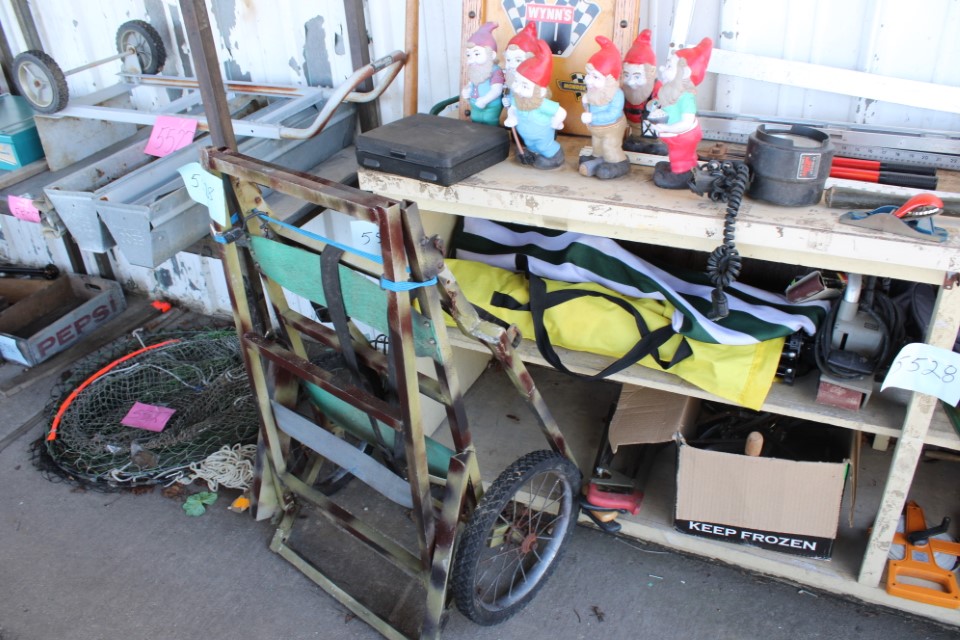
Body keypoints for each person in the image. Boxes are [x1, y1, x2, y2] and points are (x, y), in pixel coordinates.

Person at [648, 37, 713, 189]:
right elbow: (666, 104)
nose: (662, 69)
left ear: (684, 73)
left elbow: (686, 122)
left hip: (683, 136)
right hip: (674, 135)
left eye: (669, 66)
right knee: (677, 154)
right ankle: (680, 167)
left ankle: (680, 175)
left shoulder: (686, 98)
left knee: (680, 155)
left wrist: (668, 128)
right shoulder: (671, 90)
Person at [504, 39, 566, 169]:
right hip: (527, 139)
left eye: (524, 86)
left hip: (543, 138)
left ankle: (555, 156)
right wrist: (511, 117)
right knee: (530, 146)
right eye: (517, 83)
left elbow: (561, 112)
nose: (518, 89)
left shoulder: (542, 104)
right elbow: (512, 109)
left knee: (544, 147)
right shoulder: (517, 99)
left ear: (540, 91)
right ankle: (531, 152)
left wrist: (555, 123)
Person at [579, 36, 630, 180]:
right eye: (588, 75)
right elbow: (592, 106)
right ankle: (598, 159)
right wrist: (585, 103)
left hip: (612, 128)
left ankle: (617, 163)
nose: (589, 80)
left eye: (595, 77)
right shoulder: (593, 91)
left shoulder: (616, 94)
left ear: (609, 80)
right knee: (597, 146)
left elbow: (613, 113)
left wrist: (592, 117)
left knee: (609, 146)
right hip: (596, 128)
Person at [621, 29, 666, 155]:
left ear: (651, 72)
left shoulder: (657, 88)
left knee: (656, 149)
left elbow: (664, 103)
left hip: (653, 130)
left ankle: (653, 143)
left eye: (637, 76)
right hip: (634, 129)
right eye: (626, 75)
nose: (630, 82)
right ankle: (637, 139)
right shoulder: (624, 89)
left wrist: (656, 104)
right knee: (630, 146)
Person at [461, 22, 505, 126]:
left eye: (476, 54)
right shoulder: (474, 69)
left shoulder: (496, 71)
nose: (471, 59)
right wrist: (466, 90)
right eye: (469, 55)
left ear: (491, 54)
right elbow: (471, 83)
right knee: (475, 122)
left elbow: (497, 90)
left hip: (490, 106)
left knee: (489, 123)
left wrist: (485, 100)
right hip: (475, 105)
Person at [502, 21, 540, 108]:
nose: (511, 65)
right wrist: (508, 101)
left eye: (518, 60)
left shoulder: (533, 83)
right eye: (508, 60)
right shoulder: (511, 79)